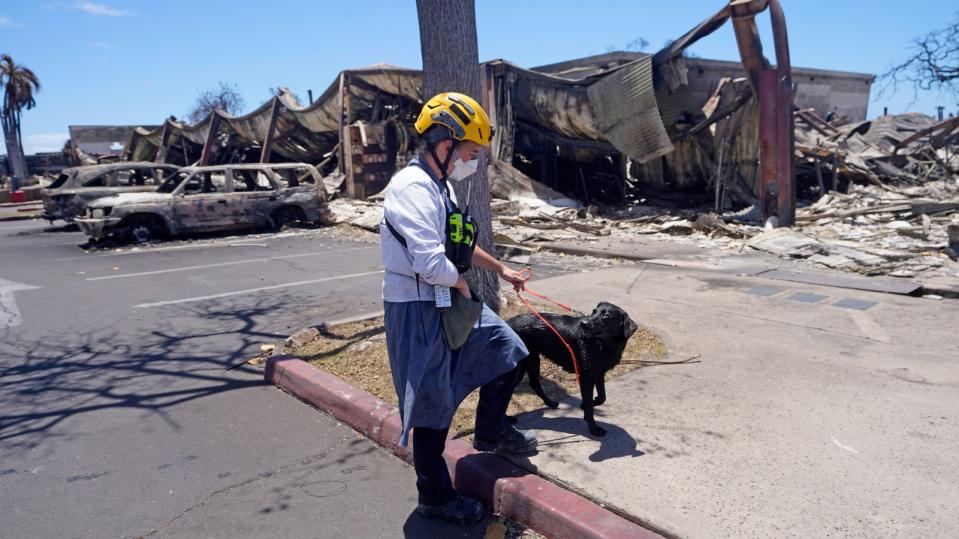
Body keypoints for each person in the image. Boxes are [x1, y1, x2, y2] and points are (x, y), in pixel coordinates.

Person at [380, 92, 536, 525]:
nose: (470, 162)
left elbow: (458, 243)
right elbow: (430, 262)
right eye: (469, 152)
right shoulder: (410, 188)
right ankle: (435, 495)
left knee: (507, 349)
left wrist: (501, 268)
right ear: (444, 142)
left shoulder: (439, 185)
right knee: (431, 404)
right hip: (416, 307)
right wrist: (464, 283)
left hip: (448, 297)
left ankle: (489, 430)